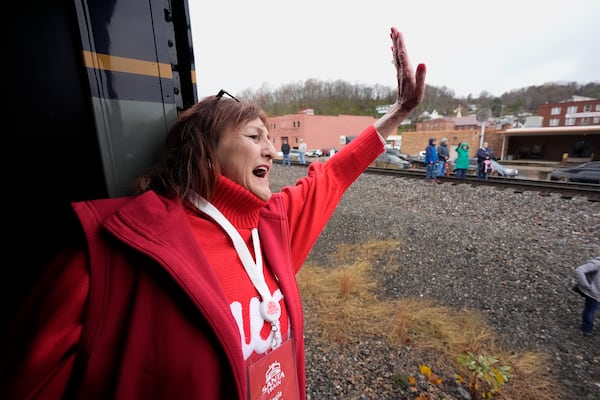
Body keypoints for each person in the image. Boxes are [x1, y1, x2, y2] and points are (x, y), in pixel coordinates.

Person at [0, 26, 426, 399]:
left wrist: (398, 113)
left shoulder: (274, 228)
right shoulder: (107, 255)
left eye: (271, 138)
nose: (273, 151)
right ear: (205, 152)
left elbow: (332, 175)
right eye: (255, 135)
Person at [573, 256, 600, 337]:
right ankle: (587, 328)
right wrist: (586, 285)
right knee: (590, 312)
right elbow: (579, 270)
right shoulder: (597, 263)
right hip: (595, 295)